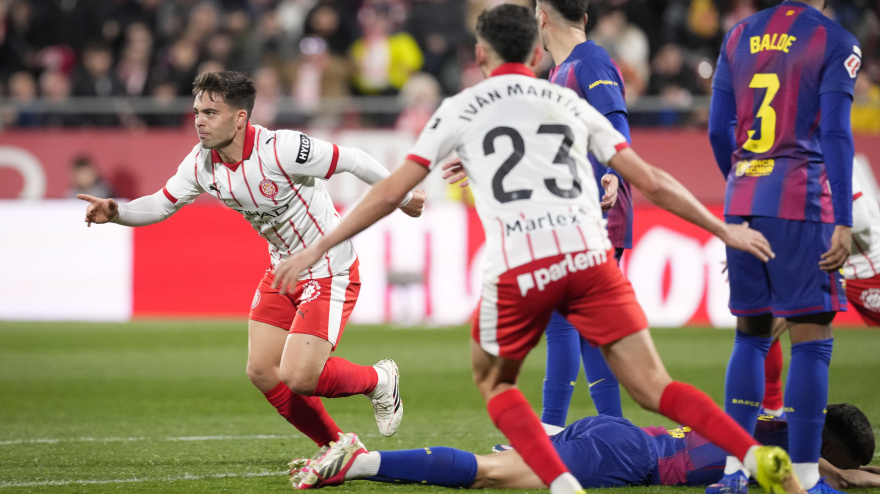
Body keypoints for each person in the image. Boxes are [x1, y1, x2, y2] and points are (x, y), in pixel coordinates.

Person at [271, 5, 802, 494]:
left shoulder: (462, 108)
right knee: (655, 386)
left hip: (522, 268)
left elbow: (390, 191)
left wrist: (315, 247)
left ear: (481, 54)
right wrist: (723, 228)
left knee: (495, 379)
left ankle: (563, 482)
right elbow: (653, 180)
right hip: (590, 261)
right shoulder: (564, 99)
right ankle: (749, 455)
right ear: (533, 52)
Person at [77, 71, 426, 461]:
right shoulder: (201, 164)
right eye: (196, 112)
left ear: (239, 118)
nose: (199, 121)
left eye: (211, 112)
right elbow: (161, 203)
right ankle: (337, 447)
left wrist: (403, 194)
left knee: (299, 376)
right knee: (262, 371)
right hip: (282, 270)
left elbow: (354, 160)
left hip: (328, 268)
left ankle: (379, 379)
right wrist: (117, 212)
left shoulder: (283, 148)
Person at [707, 1, 861, 492]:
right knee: (812, 343)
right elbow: (836, 131)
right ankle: (808, 479)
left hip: (743, 198)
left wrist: (740, 190)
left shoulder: (738, 34)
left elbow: (717, 129)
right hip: (801, 200)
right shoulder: (835, 40)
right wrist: (843, 218)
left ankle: (734, 472)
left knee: (749, 337)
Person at [288, 403, 879, 490]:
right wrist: (850, 476)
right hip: (630, 458)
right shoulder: (788, 452)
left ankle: (538, 439)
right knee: (496, 475)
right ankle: (361, 461)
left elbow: (835, 463)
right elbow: (827, 478)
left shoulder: (773, 423)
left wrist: (860, 472)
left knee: (517, 460)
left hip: (616, 432)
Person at [535, 0, 633, 424]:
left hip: (599, 208)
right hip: (574, 211)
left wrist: (612, 173)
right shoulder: (559, 71)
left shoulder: (589, 60)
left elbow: (616, 123)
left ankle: (551, 429)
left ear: (542, 17)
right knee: (585, 327)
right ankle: (613, 428)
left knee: (564, 318)